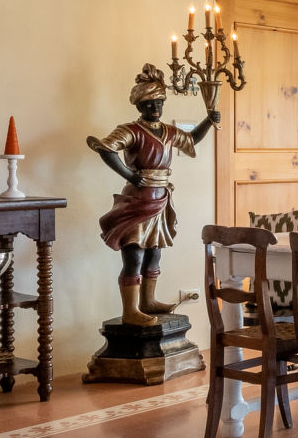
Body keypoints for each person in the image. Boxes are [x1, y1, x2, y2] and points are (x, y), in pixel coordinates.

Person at [87, 64, 218, 326]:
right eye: (149, 104)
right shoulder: (130, 130)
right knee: (133, 253)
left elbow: (190, 139)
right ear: (139, 106)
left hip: (160, 200)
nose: (155, 108)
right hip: (137, 200)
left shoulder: (168, 132)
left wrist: (208, 121)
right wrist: (128, 174)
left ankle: (148, 300)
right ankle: (130, 311)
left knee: (154, 252)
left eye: (159, 102)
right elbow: (104, 147)